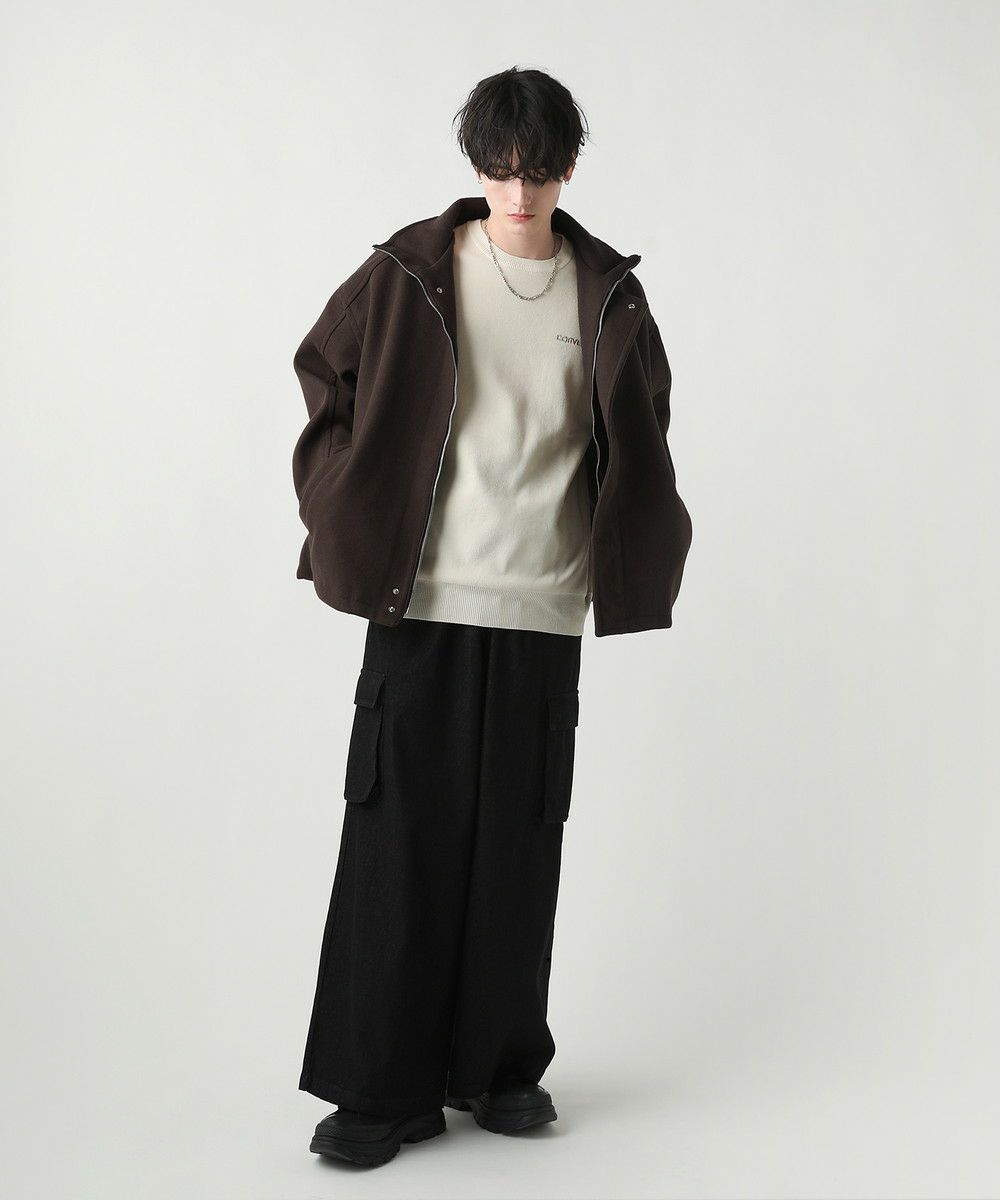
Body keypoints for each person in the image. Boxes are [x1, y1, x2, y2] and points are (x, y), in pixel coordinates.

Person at [290, 65, 692, 1169]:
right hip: (420, 601)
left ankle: (499, 1068)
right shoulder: (412, 272)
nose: (519, 194)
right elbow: (325, 378)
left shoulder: (605, 292)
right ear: (477, 165)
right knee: (398, 839)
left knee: (518, 840)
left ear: (569, 168)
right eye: (500, 170)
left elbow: (645, 423)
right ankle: (380, 1090)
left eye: (540, 172)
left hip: (543, 604)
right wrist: (343, 505)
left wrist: (629, 547)